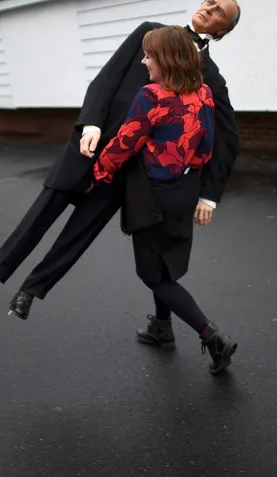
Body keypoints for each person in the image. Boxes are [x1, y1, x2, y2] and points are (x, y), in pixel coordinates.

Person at [0, 0, 242, 322]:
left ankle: (30, 291)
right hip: (90, 143)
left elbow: (226, 137)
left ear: (222, 31)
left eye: (218, 13)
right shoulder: (149, 33)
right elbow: (106, 80)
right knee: (45, 209)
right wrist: (91, 123)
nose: (208, 9)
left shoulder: (209, 76)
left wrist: (209, 195)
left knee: (81, 230)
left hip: (128, 168)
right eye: (209, 2)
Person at [92, 25, 238, 375]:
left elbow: (125, 144)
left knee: (154, 276)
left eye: (149, 55)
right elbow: (206, 149)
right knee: (164, 264)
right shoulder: (203, 93)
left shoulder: (151, 96)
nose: (144, 61)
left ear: (166, 59)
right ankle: (161, 327)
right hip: (183, 191)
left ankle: (212, 337)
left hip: (152, 195)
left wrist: (98, 173)